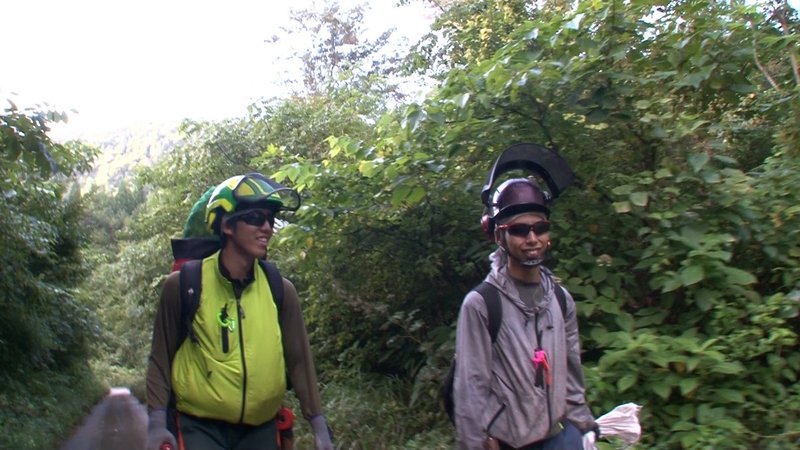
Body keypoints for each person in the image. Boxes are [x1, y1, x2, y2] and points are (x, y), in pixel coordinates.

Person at [145, 173, 334, 450]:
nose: (267, 228)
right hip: (200, 428)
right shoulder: (185, 285)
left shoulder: (280, 290)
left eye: (270, 219)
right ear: (227, 225)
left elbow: (299, 361)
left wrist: (318, 424)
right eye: (256, 218)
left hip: (262, 429)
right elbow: (160, 359)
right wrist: (156, 423)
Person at [454, 177, 597, 450]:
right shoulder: (482, 304)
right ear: (500, 236)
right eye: (519, 230)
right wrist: (475, 443)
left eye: (540, 228)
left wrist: (584, 426)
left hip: (557, 439)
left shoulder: (560, 299)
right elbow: (470, 388)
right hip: (507, 442)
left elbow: (572, 373)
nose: (532, 239)